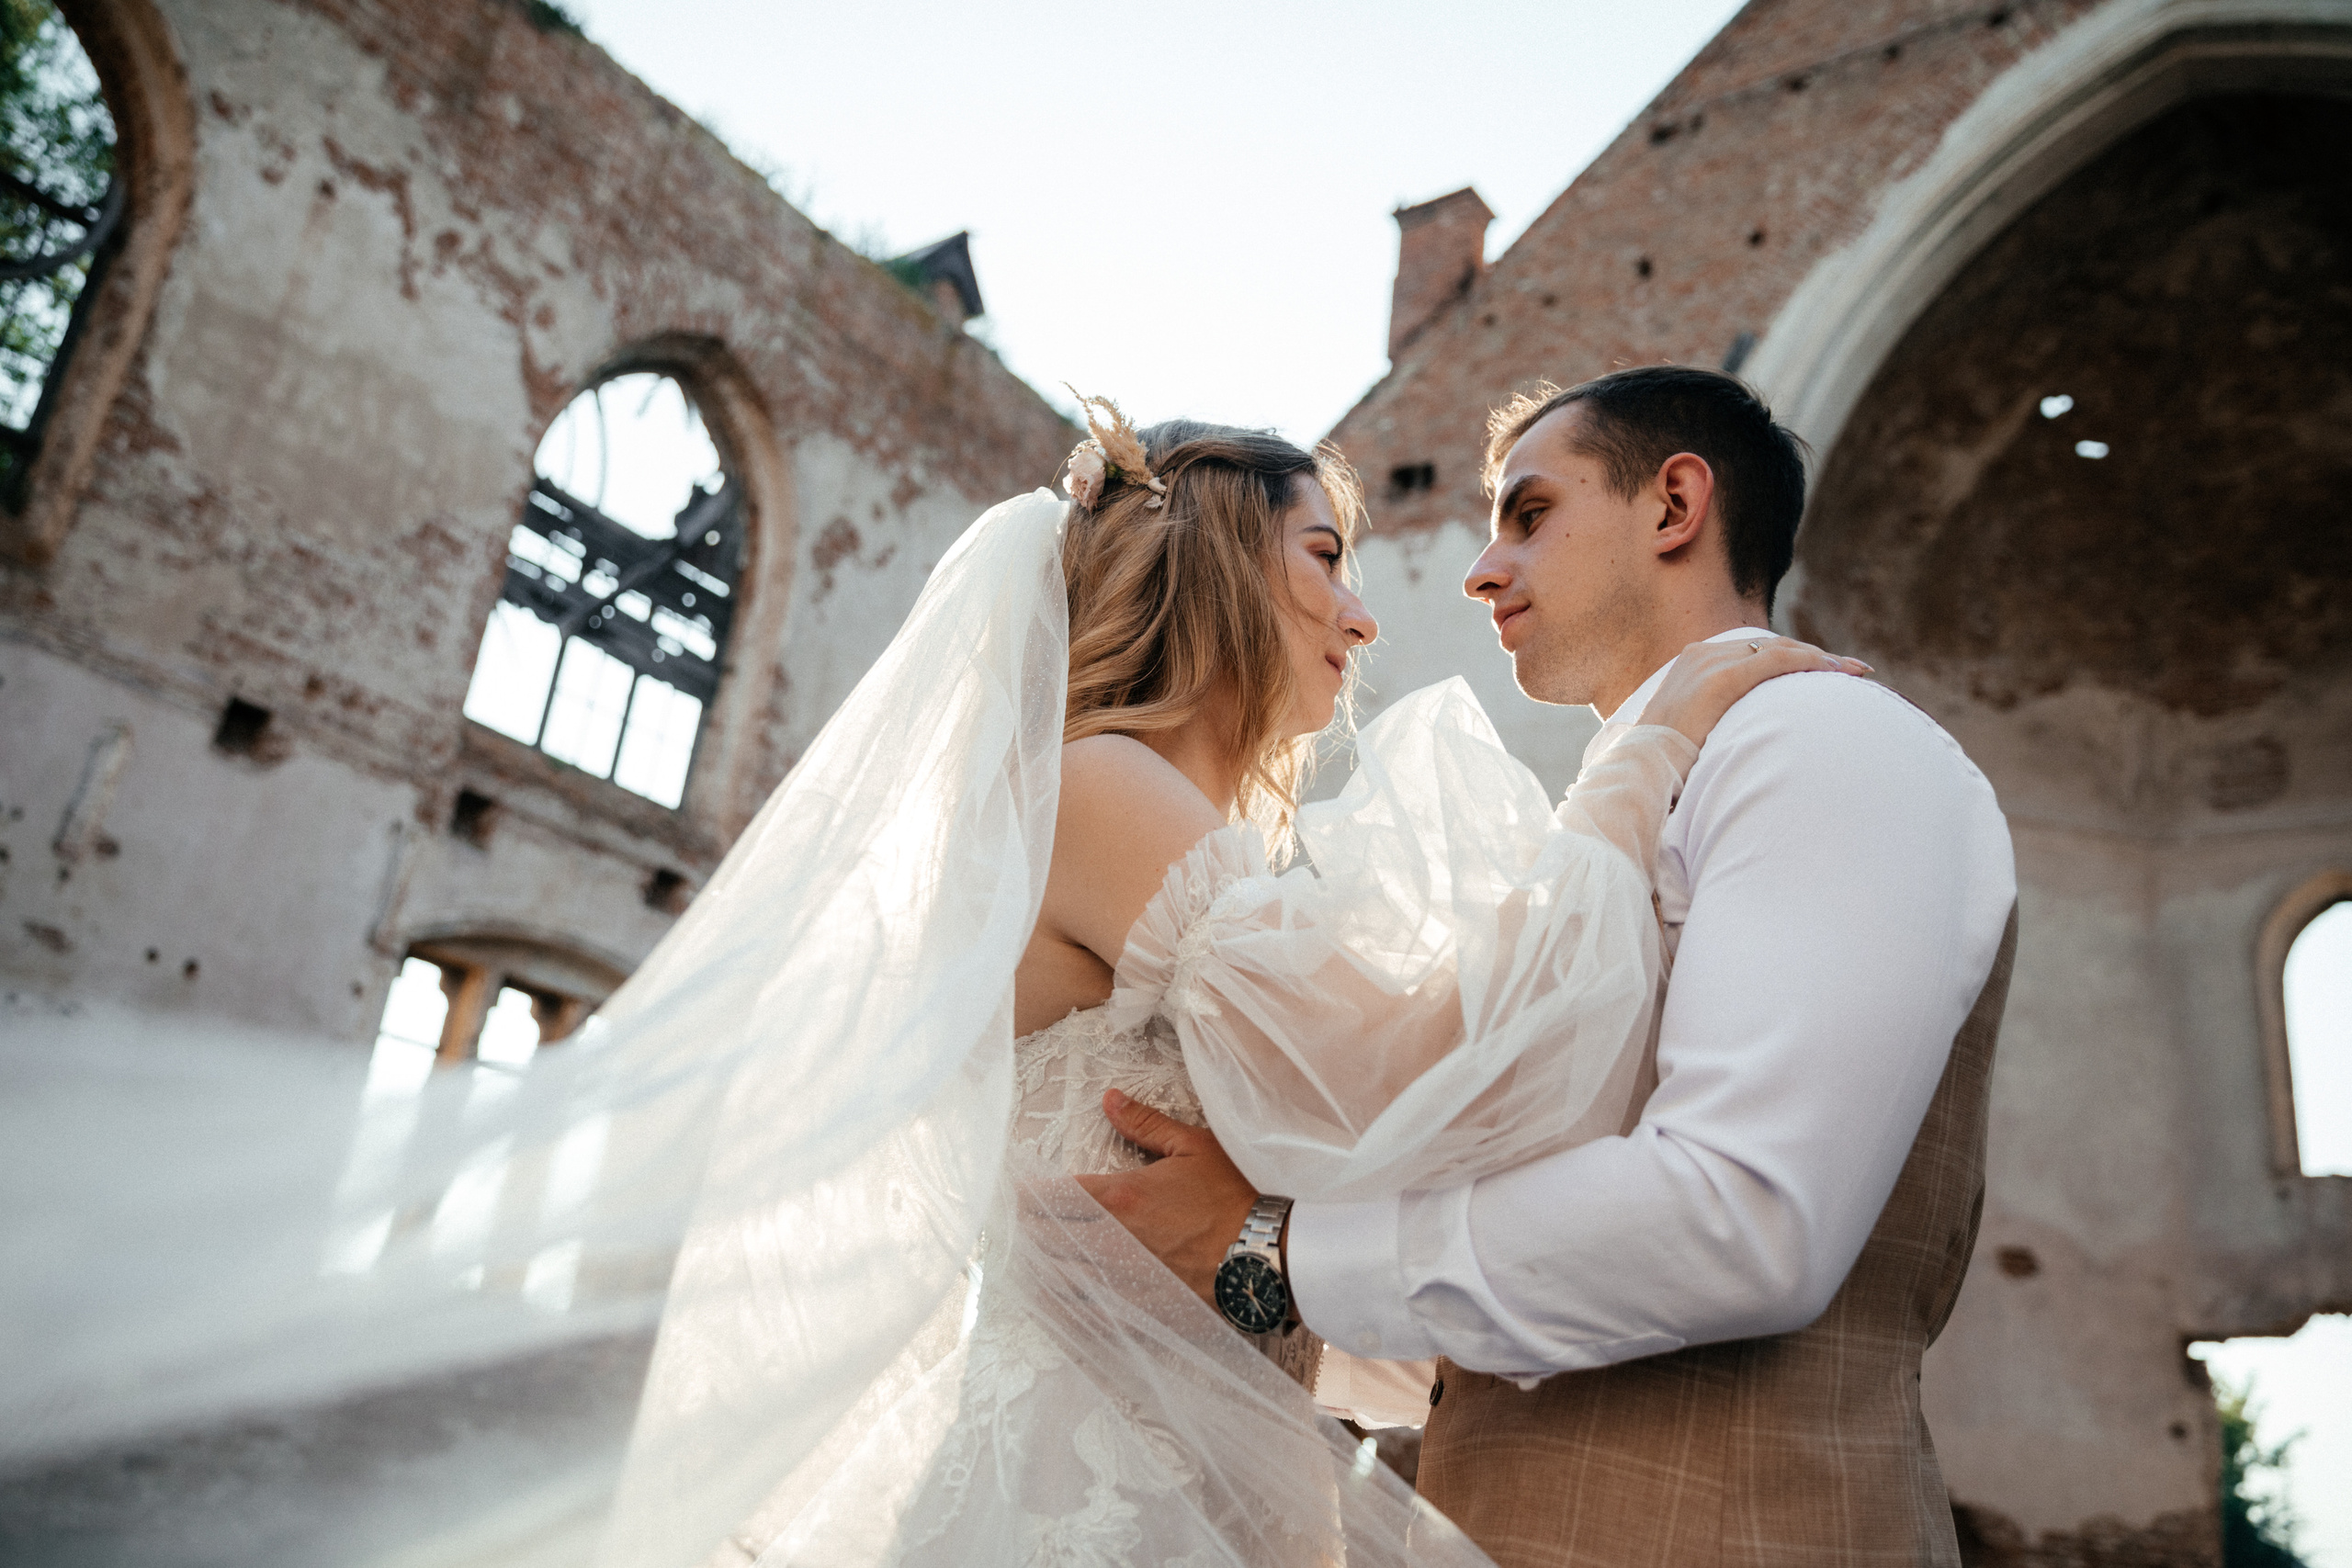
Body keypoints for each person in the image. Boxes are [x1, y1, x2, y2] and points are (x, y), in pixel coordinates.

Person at [680, 394, 1861, 1567]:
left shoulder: (1178, 838)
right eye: (1326, 556)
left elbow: (1343, 1146)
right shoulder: (1097, 784)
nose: (1362, 618)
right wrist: (1643, 760)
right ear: (1220, 567)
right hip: (1085, 1491)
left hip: (1214, 1473)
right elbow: (1401, 1069)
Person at [1082, 367, 2018, 1568]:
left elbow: (1745, 1218)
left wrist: (1276, 1250)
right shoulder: (1615, 821)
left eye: (1529, 514)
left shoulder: (1817, 733)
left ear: (1675, 505)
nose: (1479, 569)